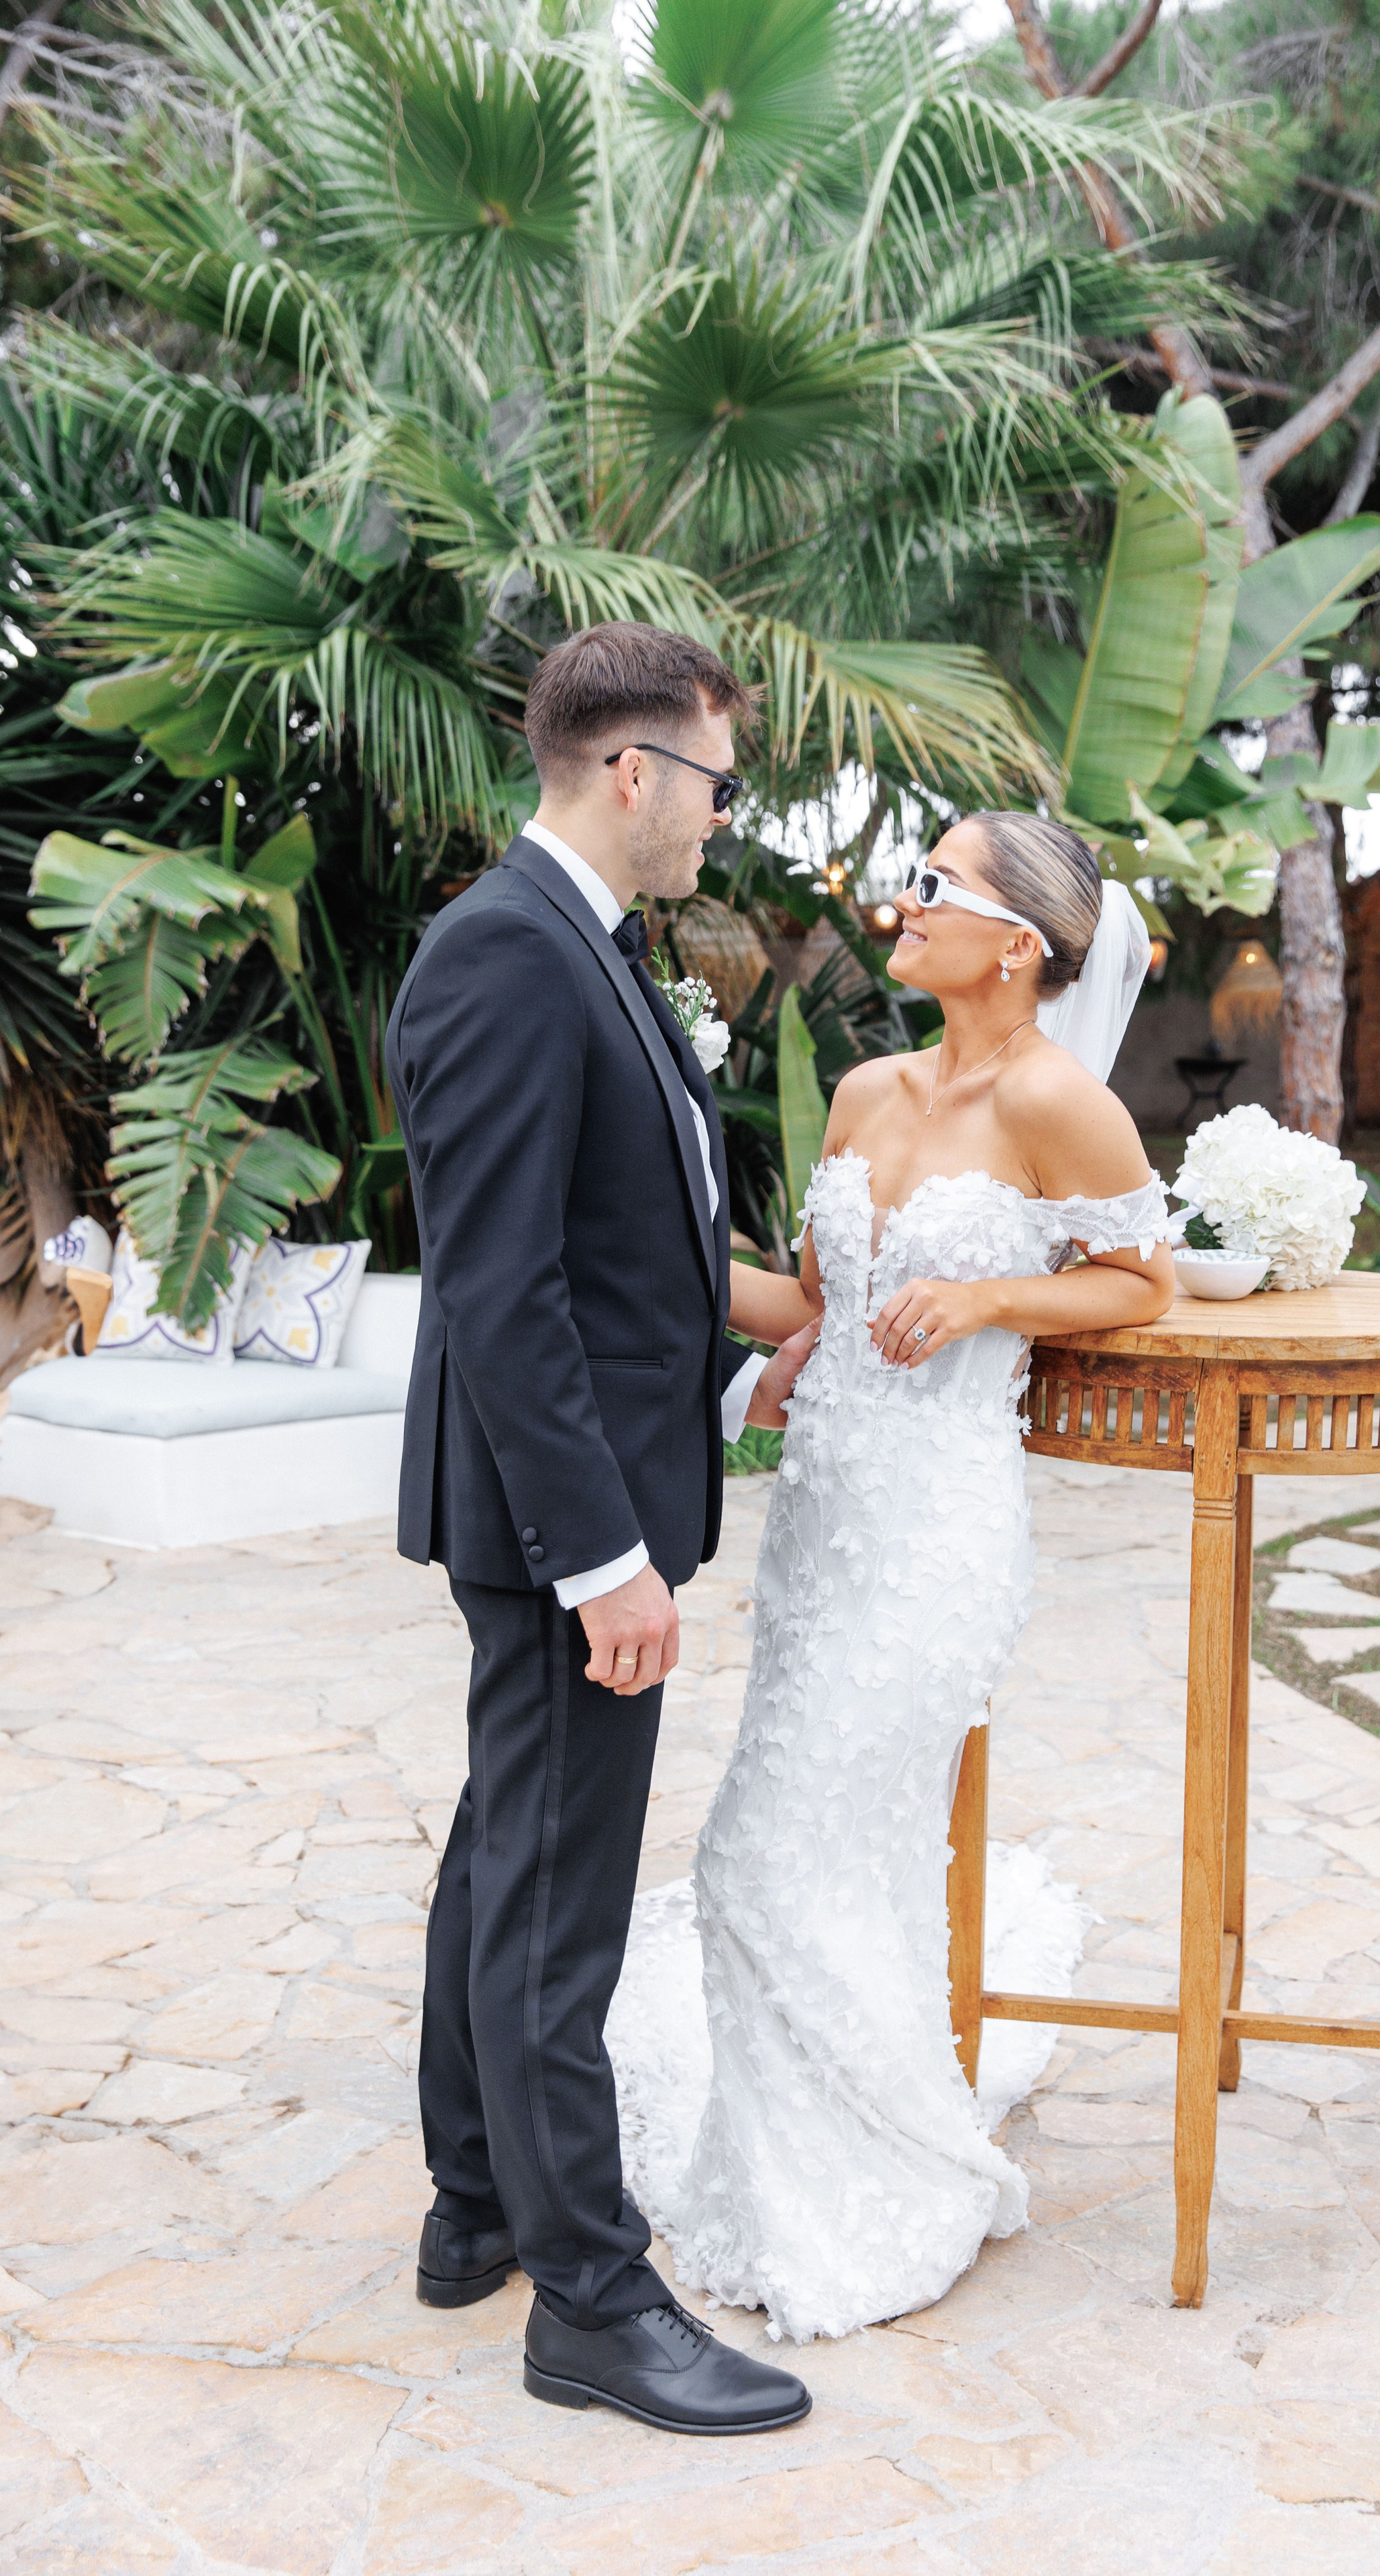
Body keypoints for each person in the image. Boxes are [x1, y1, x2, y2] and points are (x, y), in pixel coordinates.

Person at [608, 810, 1177, 2342]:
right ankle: (788, 2167)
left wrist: (989, 1298)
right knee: (821, 1856)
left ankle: (891, 2176)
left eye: (935, 886)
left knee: (765, 1858)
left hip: (935, 1536)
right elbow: (811, 1295)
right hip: (822, 1526)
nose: (900, 902)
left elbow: (1139, 1281)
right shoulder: (866, 1090)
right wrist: (638, 1254)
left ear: (1020, 945)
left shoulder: (1060, 1101)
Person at [385, 622, 818, 2436]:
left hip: (577, 1498)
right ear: (633, 770)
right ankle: (589, 2298)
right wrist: (603, 1561)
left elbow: (620, 1258)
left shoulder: (587, 946)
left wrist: (726, 1382)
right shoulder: (509, 951)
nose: (723, 817)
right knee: (559, 1903)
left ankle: (477, 2202)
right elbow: (501, 1288)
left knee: (512, 1846)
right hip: (558, 1531)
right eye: (716, 783)